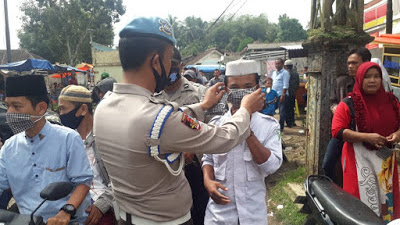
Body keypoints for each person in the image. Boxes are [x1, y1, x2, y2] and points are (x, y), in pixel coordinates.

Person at [93, 17, 265, 225]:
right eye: (168, 61)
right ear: (156, 62)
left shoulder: (105, 106)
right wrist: (246, 109)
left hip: (127, 216)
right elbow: (224, 138)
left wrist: (202, 107)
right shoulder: (158, 117)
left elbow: (169, 121)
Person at [1, 75, 93, 224]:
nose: (10, 112)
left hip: (69, 220)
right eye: (8, 105)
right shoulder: (9, 147)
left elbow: (83, 182)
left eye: (17, 106)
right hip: (28, 220)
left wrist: (65, 212)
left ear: (41, 108)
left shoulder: (68, 138)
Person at [202, 59, 283, 225]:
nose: (241, 92)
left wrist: (245, 127)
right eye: (234, 88)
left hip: (252, 216)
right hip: (219, 216)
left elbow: (271, 166)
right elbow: (208, 159)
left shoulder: (268, 125)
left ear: (257, 89)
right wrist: (207, 181)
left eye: (247, 86)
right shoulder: (217, 124)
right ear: (226, 90)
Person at [332, 62, 400, 223]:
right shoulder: (349, 103)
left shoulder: (391, 101)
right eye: (368, 77)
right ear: (359, 79)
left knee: (386, 200)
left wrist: (397, 135)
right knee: (361, 199)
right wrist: (366, 137)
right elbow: (337, 131)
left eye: (376, 76)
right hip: (359, 160)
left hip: (385, 161)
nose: (372, 80)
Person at [155, 47, 208, 225]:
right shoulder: (153, 97)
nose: (169, 70)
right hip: (165, 171)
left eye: (173, 65)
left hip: (195, 166)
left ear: (182, 66)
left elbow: (207, 127)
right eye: (166, 65)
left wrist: (192, 146)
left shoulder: (200, 93)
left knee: (200, 213)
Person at [58, 85, 115, 225]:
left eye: (63, 109)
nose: (61, 114)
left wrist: (101, 205)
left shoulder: (107, 137)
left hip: (104, 204)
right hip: (73, 206)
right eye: (59, 109)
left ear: (83, 109)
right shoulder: (65, 139)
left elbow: (121, 179)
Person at [323, 47, 372, 184]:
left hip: (365, 134)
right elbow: (332, 101)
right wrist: (336, 109)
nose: (350, 66)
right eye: (348, 63)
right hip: (343, 131)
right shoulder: (341, 82)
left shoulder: (372, 83)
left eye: (354, 63)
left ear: (366, 63)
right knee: (329, 164)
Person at [271, 58, 290, 132]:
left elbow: (285, 85)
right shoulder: (274, 73)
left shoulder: (285, 73)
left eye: (278, 63)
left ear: (282, 64)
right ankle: (272, 126)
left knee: (281, 112)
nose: (277, 65)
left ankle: (281, 127)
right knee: (271, 110)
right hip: (274, 95)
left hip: (281, 95)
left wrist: (283, 95)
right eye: (276, 64)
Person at [284, 59, 299, 127]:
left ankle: (288, 123)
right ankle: (292, 122)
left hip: (287, 93)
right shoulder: (296, 73)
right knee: (291, 108)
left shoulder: (285, 73)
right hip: (293, 93)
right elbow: (297, 83)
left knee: (286, 108)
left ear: (286, 66)